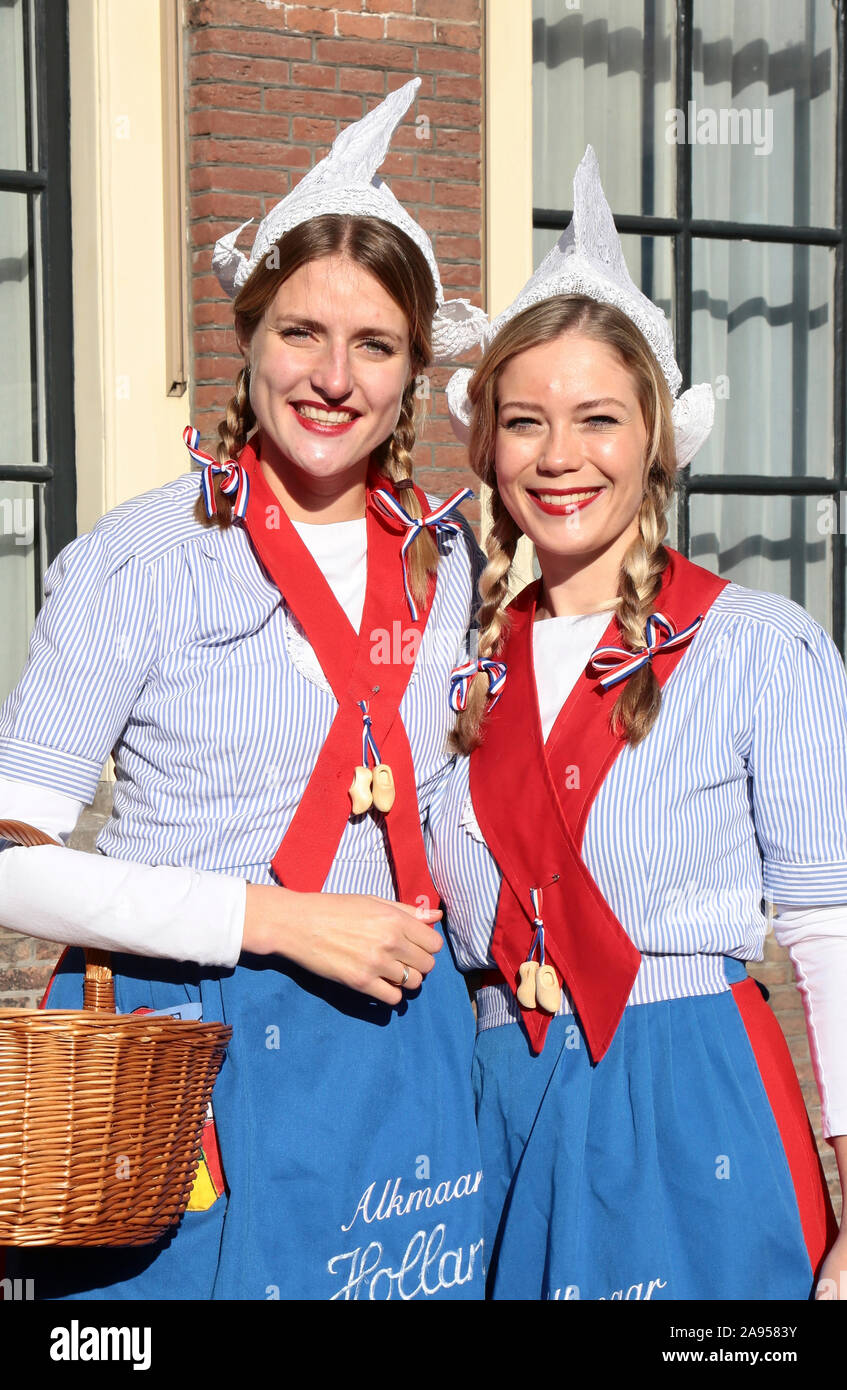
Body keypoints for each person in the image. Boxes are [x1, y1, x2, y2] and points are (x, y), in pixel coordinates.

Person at [0, 80, 489, 1301]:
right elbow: (10, 863)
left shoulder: (459, 560)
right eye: (299, 334)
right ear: (247, 334)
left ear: (412, 372)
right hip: (185, 1056)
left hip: (397, 1050)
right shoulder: (141, 555)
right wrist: (267, 918)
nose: (332, 377)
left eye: (373, 344)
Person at [428, 147, 847, 1301]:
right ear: (487, 447)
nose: (558, 458)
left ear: (656, 440)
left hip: (687, 1099)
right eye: (525, 422)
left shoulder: (760, 643)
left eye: (597, 419)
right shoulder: (451, 657)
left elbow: (831, 933)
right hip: (494, 1106)